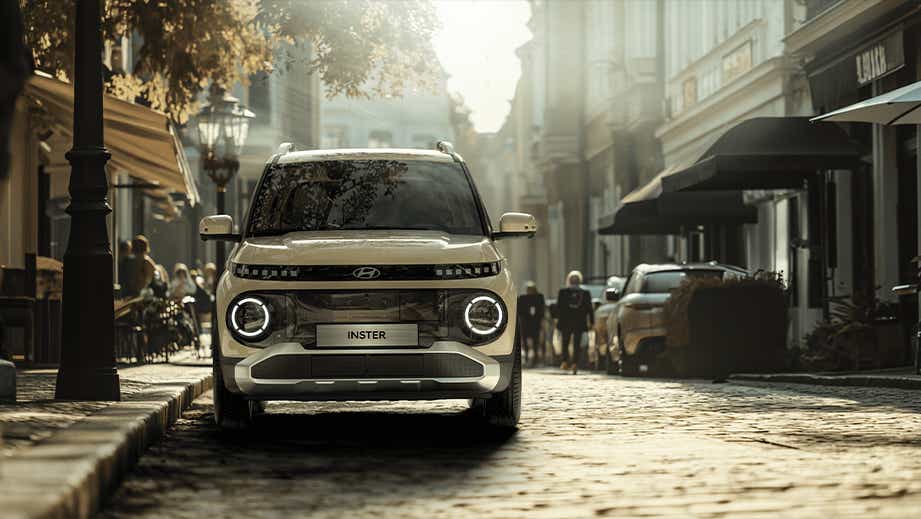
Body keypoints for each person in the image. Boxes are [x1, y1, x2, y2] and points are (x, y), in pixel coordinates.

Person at [556, 270, 593, 375]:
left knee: (566, 342)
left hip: (567, 321)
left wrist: (557, 320)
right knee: (575, 343)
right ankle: (573, 363)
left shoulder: (563, 292)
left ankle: (566, 362)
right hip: (578, 322)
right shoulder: (585, 293)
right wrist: (591, 321)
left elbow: (559, 308)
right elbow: (589, 309)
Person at [517, 281, 545, 367]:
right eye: (528, 289)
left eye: (531, 289)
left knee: (536, 341)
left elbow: (542, 309)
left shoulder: (539, 297)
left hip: (536, 322)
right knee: (525, 341)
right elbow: (519, 310)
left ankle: (536, 358)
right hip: (526, 322)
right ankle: (526, 357)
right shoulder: (522, 298)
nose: (529, 291)